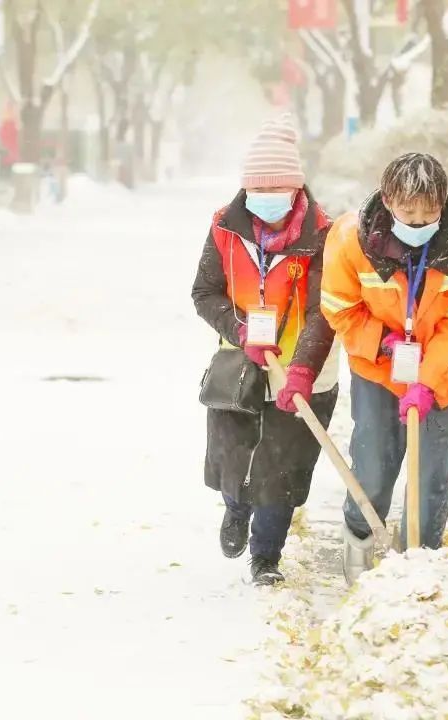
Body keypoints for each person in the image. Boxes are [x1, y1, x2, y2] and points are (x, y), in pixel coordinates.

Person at [320, 153, 448, 584]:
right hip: (377, 368)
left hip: (440, 373)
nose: (417, 222)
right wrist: (382, 341)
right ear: (388, 199)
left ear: (444, 202)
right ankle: (359, 540)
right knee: (374, 464)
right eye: (407, 212)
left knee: (431, 475)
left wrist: (428, 381)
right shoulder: (349, 239)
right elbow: (339, 307)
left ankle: (419, 562)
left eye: (428, 213)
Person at [191, 114, 338, 586]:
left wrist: (300, 369)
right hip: (241, 362)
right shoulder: (224, 228)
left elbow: (323, 309)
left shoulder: (322, 236)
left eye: (278, 192)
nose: (267, 202)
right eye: (259, 191)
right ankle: (235, 508)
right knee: (234, 452)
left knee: (282, 464)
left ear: (297, 191)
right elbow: (204, 292)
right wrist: (240, 331)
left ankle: (267, 556)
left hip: (303, 364)